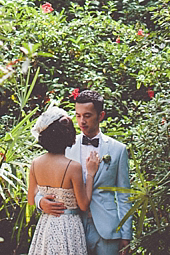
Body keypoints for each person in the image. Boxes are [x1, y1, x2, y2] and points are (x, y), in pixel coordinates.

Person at [37, 89, 132, 255]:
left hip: (108, 229)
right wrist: (40, 202)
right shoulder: (64, 145)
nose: (81, 121)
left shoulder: (118, 150)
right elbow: (44, 182)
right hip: (71, 227)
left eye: (87, 116)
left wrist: (126, 235)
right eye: (78, 115)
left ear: (100, 116)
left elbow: (124, 196)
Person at [28, 106, 100, 255]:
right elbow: (84, 204)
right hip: (69, 226)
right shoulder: (73, 167)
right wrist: (91, 173)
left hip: (46, 224)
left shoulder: (35, 163)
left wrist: (41, 203)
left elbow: (30, 199)